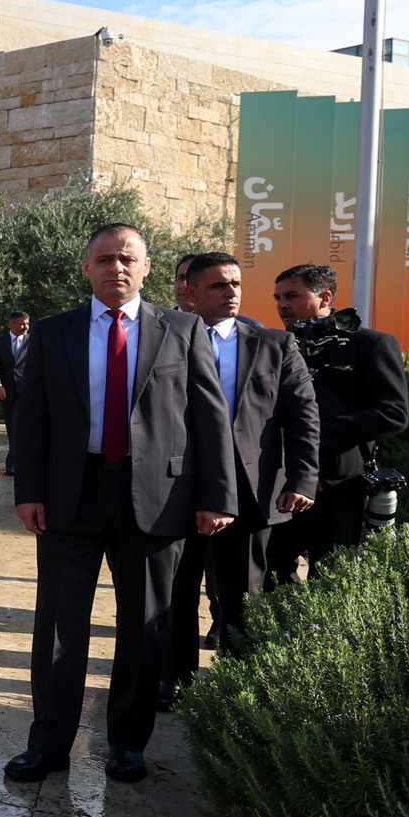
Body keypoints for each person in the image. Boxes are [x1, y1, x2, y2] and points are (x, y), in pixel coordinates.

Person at [8, 224, 234, 787]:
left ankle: (127, 744)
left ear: (147, 267)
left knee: (146, 625)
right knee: (59, 625)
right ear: (86, 267)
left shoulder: (182, 329)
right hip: (70, 496)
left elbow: (210, 419)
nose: (117, 268)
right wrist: (28, 490)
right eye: (105, 259)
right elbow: (31, 418)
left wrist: (217, 496)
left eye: (127, 259)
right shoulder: (54, 331)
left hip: (157, 499)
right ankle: (49, 744)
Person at [168, 254, 317, 702]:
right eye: (218, 285)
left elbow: (303, 414)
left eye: (235, 283)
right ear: (191, 293)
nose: (231, 292)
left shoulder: (275, 344)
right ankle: (174, 681)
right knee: (175, 591)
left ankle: (236, 691)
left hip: (250, 491)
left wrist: (302, 478)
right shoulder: (163, 339)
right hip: (174, 486)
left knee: (242, 594)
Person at [266, 262, 409, 579]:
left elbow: (393, 414)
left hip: (340, 485)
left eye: (292, 296)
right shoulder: (274, 345)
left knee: (331, 579)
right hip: (279, 481)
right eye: (278, 298)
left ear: (325, 297)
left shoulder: (370, 344)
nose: (282, 305)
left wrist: (309, 432)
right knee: (271, 575)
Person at [0, 311, 31, 457]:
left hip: (27, 392)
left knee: (26, 428)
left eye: (27, 324)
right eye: (22, 324)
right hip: (8, 393)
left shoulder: (33, 341)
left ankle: (17, 461)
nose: (26, 327)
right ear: (12, 324)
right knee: (12, 427)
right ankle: (14, 461)